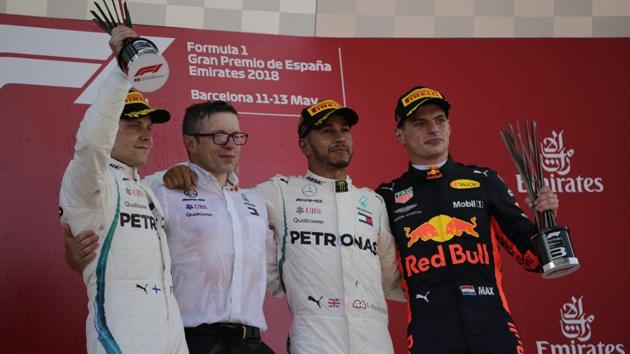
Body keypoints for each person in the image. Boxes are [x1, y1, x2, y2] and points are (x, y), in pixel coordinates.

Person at [162, 99, 405, 353]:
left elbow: (389, 278)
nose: (339, 137)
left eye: (344, 130)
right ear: (304, 145)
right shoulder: (278, 192)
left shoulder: (374, 203)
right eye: (327, 131)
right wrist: (182, 172)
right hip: (314, 339)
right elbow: (223, 197)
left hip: (375, 337)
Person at [65, 101, 276, 353]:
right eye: (219, 136)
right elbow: (112, 224)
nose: (230, 144)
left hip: (251, 342)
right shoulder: (162, 189)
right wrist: (74, 256)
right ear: (191, 143)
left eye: (236, 136)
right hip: (189, 340)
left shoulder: (255, 200)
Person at [376, 86, 559, 354]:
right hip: (430, 333)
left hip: (493, 328)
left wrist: (546, 220)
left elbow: (535, 259)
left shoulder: (484, 181)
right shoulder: (386, 197)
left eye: (440, 120)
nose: (433, 129)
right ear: (399, 135)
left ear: (450, 127)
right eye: (420, 123)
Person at [59, 26, 187, 354]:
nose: (146, 135)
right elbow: (90, 145)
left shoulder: (144, 187)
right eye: (133, 126)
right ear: (112, 128)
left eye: (148, 128)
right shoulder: (92, 183)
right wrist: (122, 73)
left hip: (169, 324)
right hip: (121, 326)